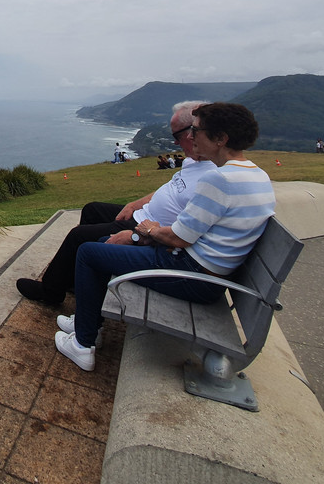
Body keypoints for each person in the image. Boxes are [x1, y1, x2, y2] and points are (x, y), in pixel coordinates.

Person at [54, 102, 276, 372]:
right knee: (102, 245)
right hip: (206, 273)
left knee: (88, 253)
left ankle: (82, 345)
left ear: (220, 139)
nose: (191, 138)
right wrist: (147, 234)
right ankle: (89, 326)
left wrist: (144, 232)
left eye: (197, 131)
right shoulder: (257, 175)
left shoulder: (219, 180)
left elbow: (179, 238)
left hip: (191, 275)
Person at [15, 101, 210, 307]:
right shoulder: (194, 161)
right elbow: (169, 190)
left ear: (195, 132)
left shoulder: (212, 178)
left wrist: (138, 237)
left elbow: (185, 232)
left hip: (147, 227)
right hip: (142, 214)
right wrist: (134, 204)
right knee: (92, 209)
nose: (177, 144)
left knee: (77, 236)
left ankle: (51, 292)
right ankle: (74, 278)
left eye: (178, 136)